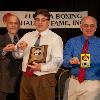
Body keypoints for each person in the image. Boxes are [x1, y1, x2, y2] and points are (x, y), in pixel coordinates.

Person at [14, 9, 63, 100]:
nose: (40, 22)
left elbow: (58, 60)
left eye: (43, 20)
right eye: (37, 19)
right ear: (34, 21)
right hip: (26, 77)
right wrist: (20, 50)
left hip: (44, 77)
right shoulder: (27, 36)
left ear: (48, 22)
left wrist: (41, 67)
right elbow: (16, 55)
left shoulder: (55, 38)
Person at [63, 16, 100, 100]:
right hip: (72, 82)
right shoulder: (72, 42)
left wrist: (87, 61)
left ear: (96, 28)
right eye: (86, 25)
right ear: (81, 27)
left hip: (92, 84)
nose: (89, 28)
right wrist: (70, 61)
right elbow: (64, 60)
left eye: (92, 25)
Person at [0, 13, 22, 100]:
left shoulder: (24, 40)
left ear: (19, 26)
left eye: (15, 23)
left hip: (21, 83)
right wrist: (4, 50)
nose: (13, 25)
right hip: (4, 83)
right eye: (10, 23)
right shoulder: (1, 38)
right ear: (6, 25)